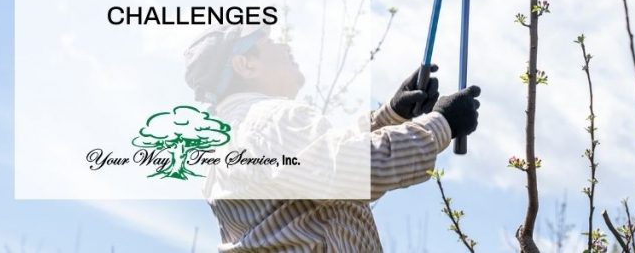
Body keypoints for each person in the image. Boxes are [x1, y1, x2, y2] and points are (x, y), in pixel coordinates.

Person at [183, 24, 481, 252]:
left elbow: (315, 168)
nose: (283, 45)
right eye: (269, 42)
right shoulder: (270, 119)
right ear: (245, 65)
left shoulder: (231, 139)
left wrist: (391, 114)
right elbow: (351, 171)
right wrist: (442, 123)